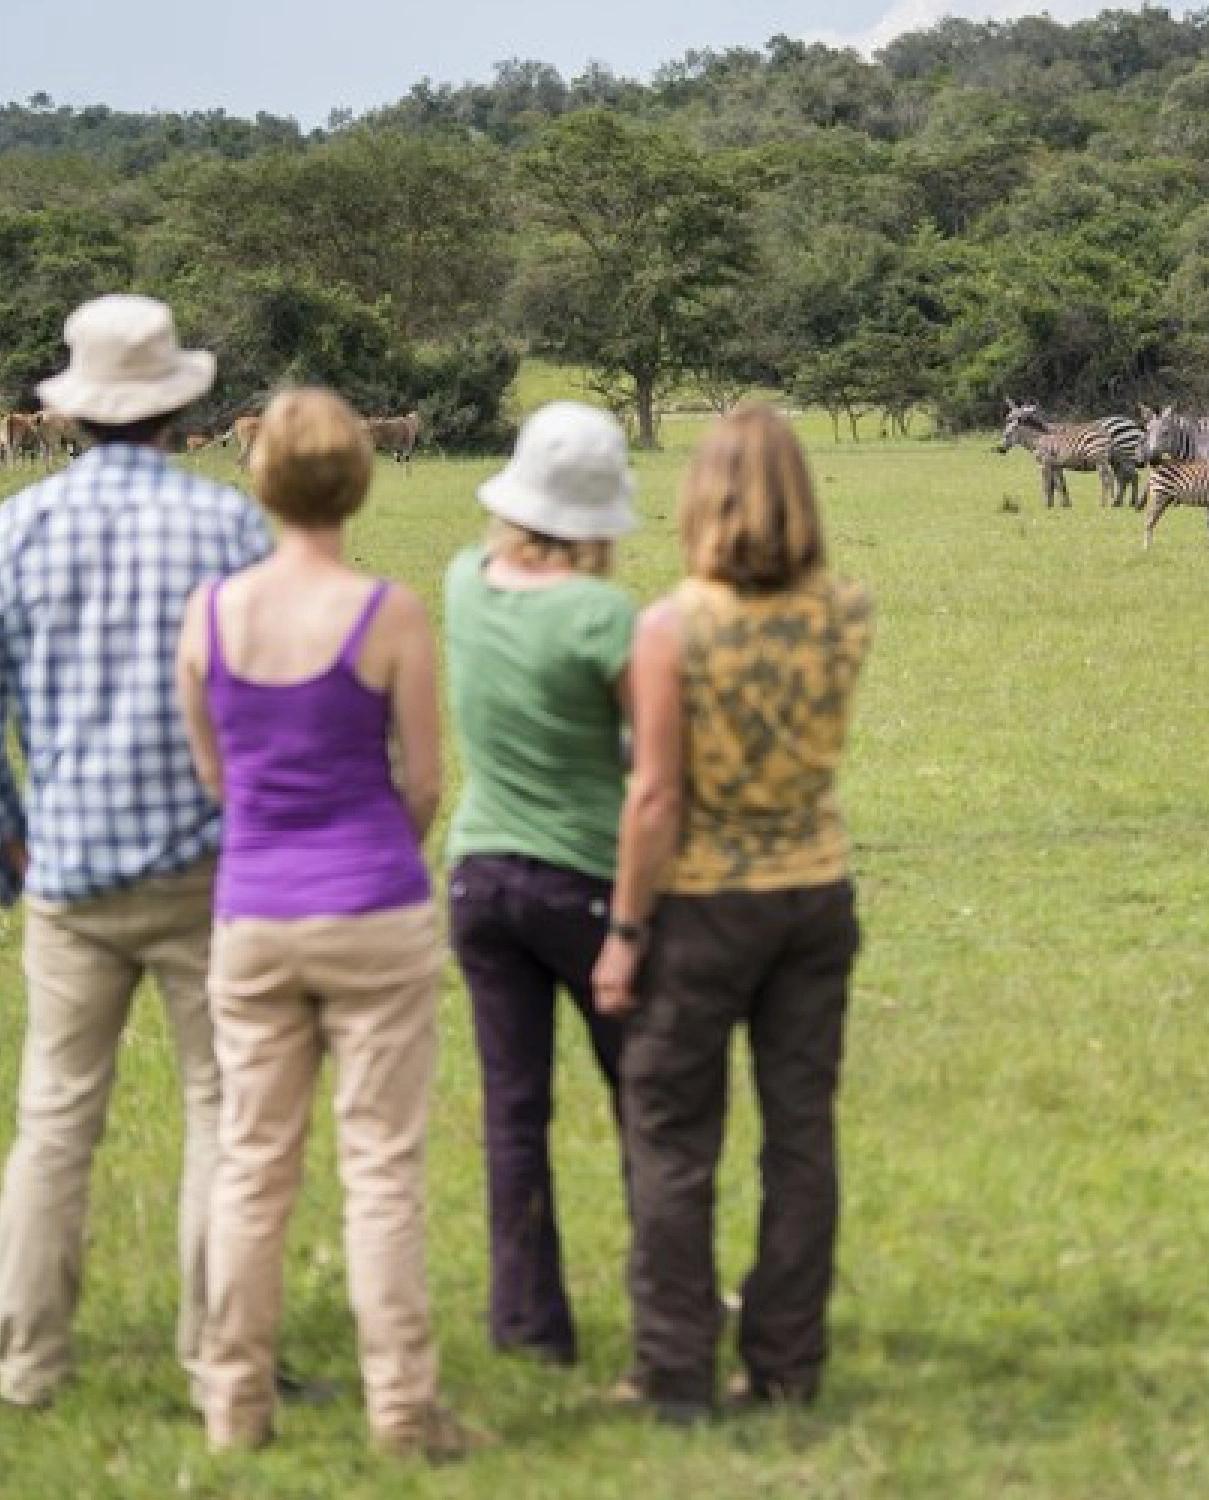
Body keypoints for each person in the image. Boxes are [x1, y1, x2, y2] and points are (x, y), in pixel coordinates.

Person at [0, 293, 270, 1412]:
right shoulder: (229, 527)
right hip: (208, 870)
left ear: (70, 413)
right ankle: (219, 1360)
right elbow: (268, 705)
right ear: (177, 407)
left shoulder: (15, 526)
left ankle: (29, 1366)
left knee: (53, 1120)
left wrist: (9, 847)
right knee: (222, 1115)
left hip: (69, 872)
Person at [176, 388, 482, 1461]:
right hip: (373, 906)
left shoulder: (211, 614)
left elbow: (217, 777)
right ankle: (402, 1410)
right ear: (358, 480)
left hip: (254, 913)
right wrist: (378, 844)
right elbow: (425, 783)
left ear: (260, 478)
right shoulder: (388, 613)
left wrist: (277, 835)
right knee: (382, 1169)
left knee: (253, 1166)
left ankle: (234, 1407)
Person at [592, 403, 875, 1424]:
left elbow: (655, 797)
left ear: (700, 497)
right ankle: (787, 1364)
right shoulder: (847, 610)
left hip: (703, 904)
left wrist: (626, 933)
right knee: (800, 1136)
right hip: (815, 890)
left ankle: (675, 1372)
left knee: (672, 1139)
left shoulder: (670, 627)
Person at [443, 402, 638, 1367]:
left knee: (514, 1110)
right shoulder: (603, 615)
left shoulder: (461, 581)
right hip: (586, 884)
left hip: (479, 877)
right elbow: (650, 758)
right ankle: (670, 1295)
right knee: (647, 1100)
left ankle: (527, 1324)